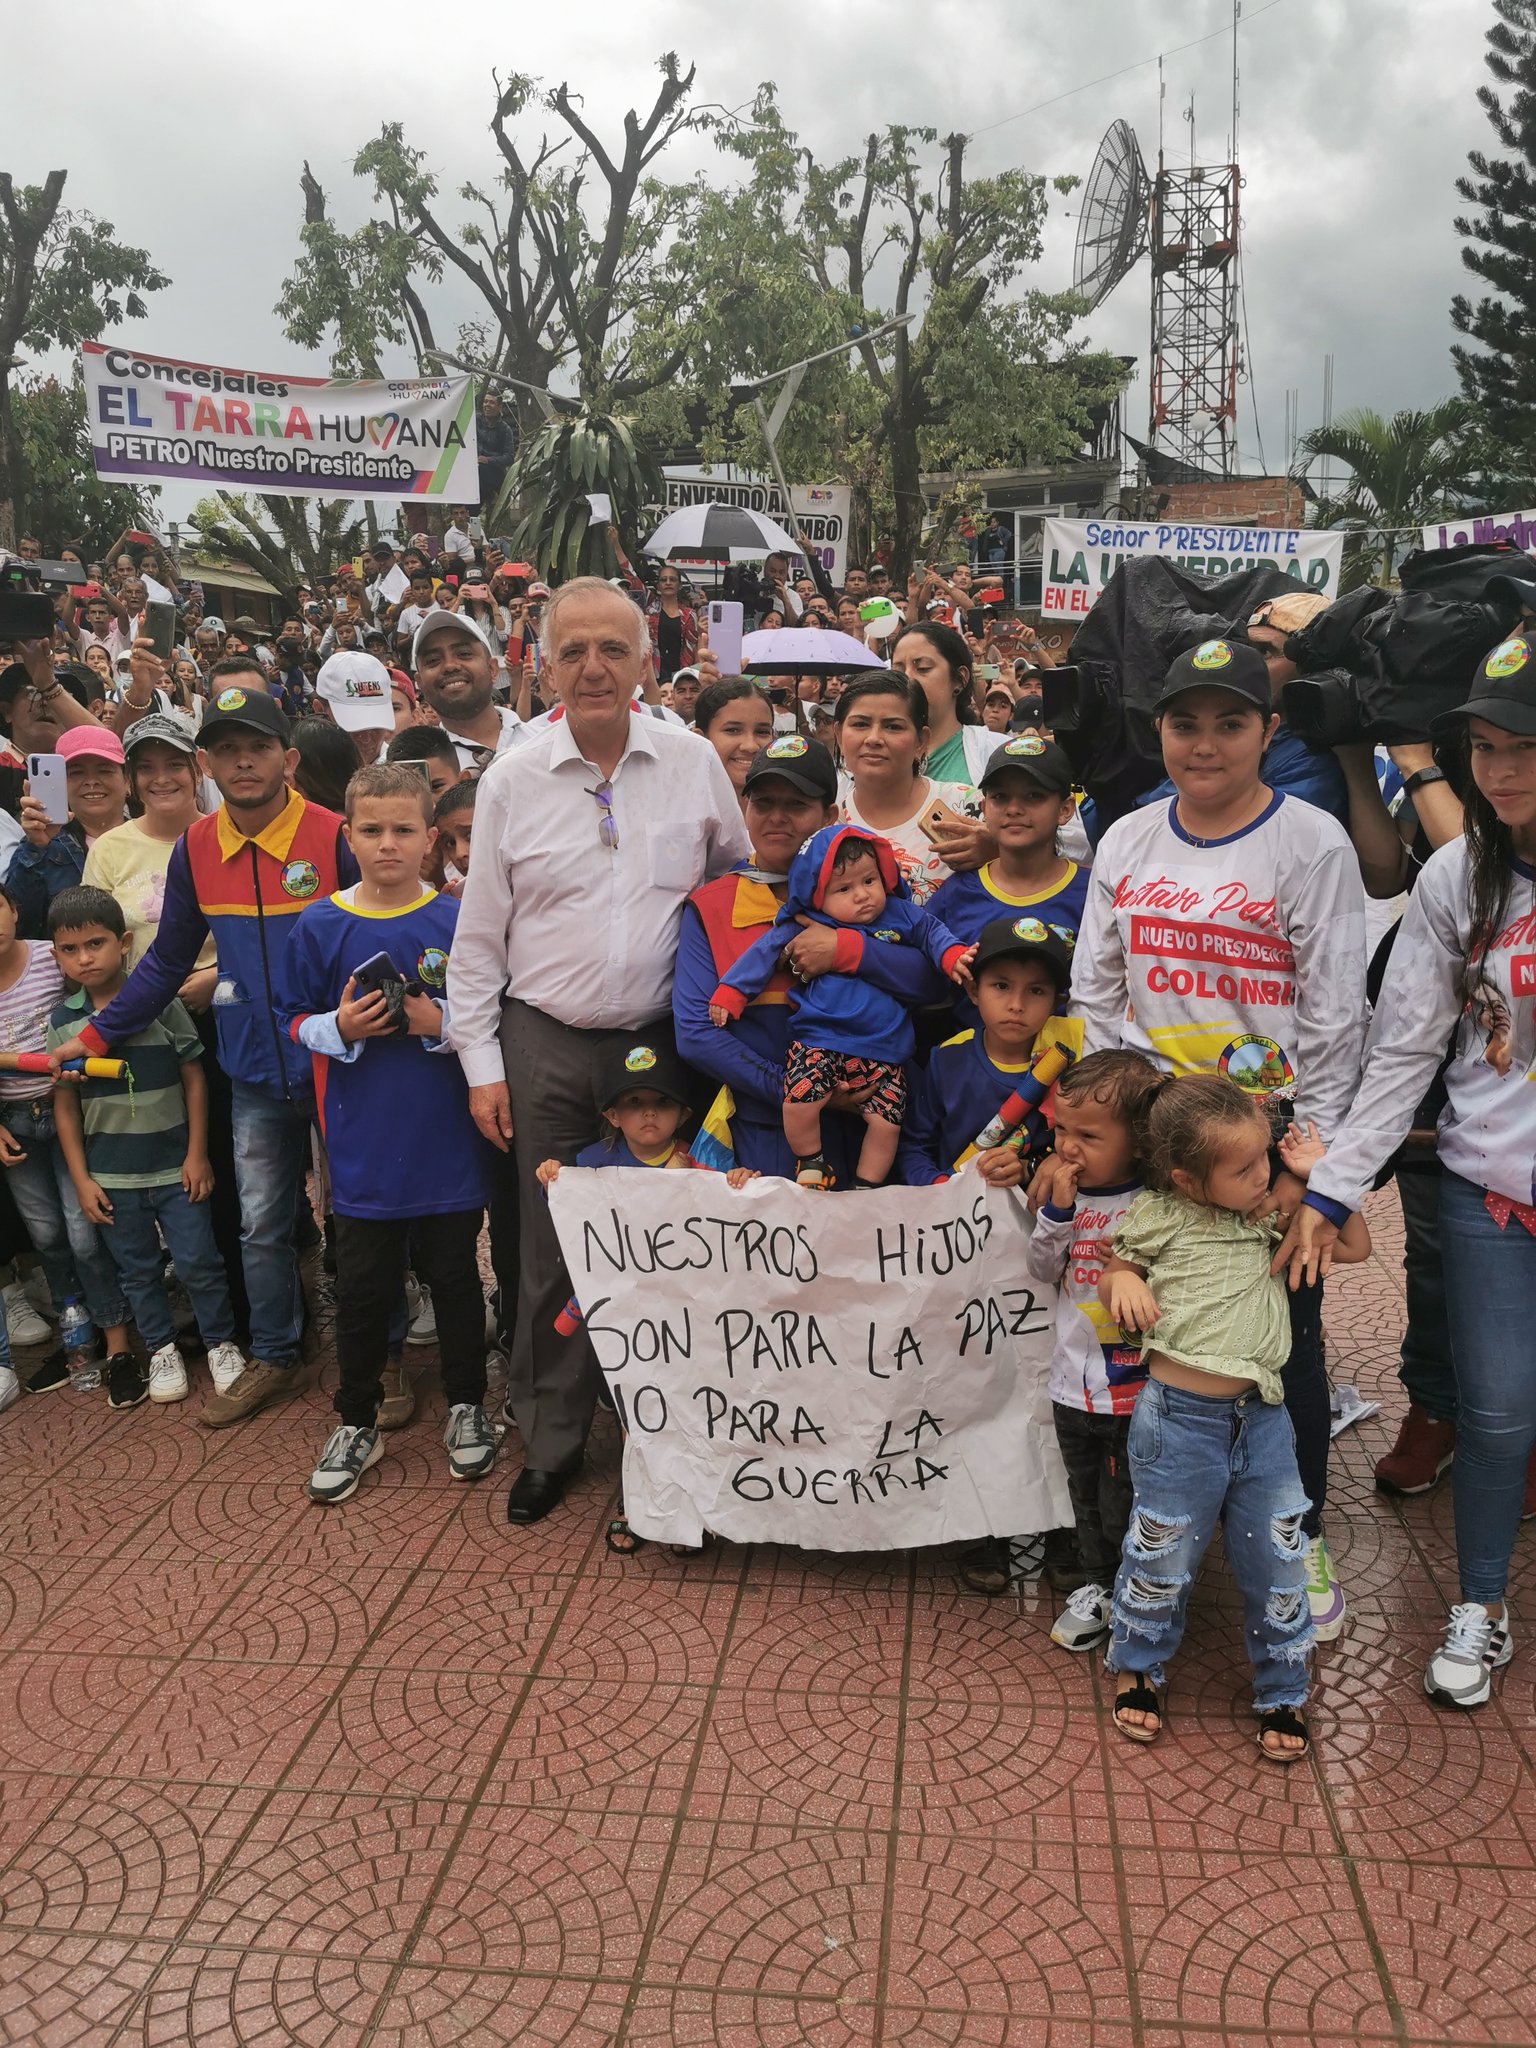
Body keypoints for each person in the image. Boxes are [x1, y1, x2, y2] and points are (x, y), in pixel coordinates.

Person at [1071, 638, 1368, 1643]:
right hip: (1159, 1136)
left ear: (1268, 733)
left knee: (1286, 1343)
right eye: (1184, 722)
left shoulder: (1312, 842)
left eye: (1230, 722)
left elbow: (1334, 1019)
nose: (1205, 743)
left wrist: (1307, 1169)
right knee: (1152, 1331)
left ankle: (1300, 1531)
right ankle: (1159, 1533)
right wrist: (1133, 1124)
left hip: (1267, 1146)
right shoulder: (1126, 840)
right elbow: (1097, 991)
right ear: (1158, 731)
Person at [448, 575, 751, 1526]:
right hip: (544, 1042)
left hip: (664, 1046)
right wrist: (483, 1068)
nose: (592, 667)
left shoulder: (694, 762)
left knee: (672, 1248)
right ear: (540, 663)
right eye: (572, 650)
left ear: (647, 662)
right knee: (548, 1252)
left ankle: (675, 1436)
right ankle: (552, 1440)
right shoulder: (512, 779)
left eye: (612, 649)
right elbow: (478, 941)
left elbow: (733, 887)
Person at [1282, 633, 1536, 1709]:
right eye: (1482, 746)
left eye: (1525, 745)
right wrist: (1333, 1183)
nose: (1499, 771)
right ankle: (1480, 1603)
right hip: (1491, 1193)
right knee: (1494, 1411)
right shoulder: (1459, 876)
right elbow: (1401, 1054)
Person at [49, 686, 360, 1427]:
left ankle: (373, 1357)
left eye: (256, 747)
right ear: (207, 764)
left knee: (356, 1216)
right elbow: (162, 965)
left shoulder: (334, 834)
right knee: (258, 1224)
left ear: (286, 758)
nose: (242, 762)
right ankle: (277, 1355)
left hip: (338, 1064)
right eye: (227, 750)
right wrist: (93, 1036)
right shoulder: (196, 846)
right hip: (251, 1068)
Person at [1101, 1076, 1369, 1760]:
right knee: (1162, 1552)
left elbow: (1358, 1247)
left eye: (1265, 1161)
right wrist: (1124, 1279)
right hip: (1178, 1423)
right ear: (1188, 1180)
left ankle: (1283, 1688)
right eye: (1244, 1168)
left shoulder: (1273, 1214)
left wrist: (1320, 1180)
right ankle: (1138, 1663)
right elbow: (1113, 1266)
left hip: (1266, 1420)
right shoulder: (1159, 1215)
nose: (1262, 1176)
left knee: (1279, 1561)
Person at [280, 762, 498, 1505]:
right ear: (347, 835)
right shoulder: (320, 923)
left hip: (444, 1143)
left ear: (431, 839)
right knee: (366, 1289)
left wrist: (443, 1025)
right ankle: (356, 1418)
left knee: (457, 1279)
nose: (387, 844)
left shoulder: (457, 918)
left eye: (404, 830)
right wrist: (337, 1026)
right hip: (362, 1147)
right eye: (371, 830)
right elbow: (293, 1019)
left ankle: (468, 1402)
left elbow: (489, 1016)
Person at [44, 886, 245, 1408]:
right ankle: (160, 1348)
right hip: (112, 1178)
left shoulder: (158, 1005)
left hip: (176, 1169)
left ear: (125, 942)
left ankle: (221, 1342)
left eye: (96, 943)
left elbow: (194, 1078)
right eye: (70, 949)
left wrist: (197, 1154)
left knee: (199, 1260)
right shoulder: (62, 1023)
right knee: (136, 1270)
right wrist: (82, 1179)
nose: (85, 958)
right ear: (55, 955)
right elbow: (65, 1105)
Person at [82, 711, 243, 1338]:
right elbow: (94, 939)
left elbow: (259, 930)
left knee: (221, 1166)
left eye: (173, 763)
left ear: (195, 769)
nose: (160, 777)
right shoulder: (111, 848)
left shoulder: (221, 833)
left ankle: (238, 1312)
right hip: (141, 1028)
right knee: (161, 1167)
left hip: (216, 1016)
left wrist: (217, 976)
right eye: (145, 767)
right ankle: (187, 1311)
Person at [708, 824, 968, 1190]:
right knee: (797, 1102)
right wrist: (731, 993)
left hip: (886, 1050)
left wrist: (953, 955)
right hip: (819, 1040)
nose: (862, 896)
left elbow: (932, 933)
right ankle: (812, 1163)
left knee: (887, 1123)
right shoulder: (809, 922)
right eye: (844, 889)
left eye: (870, 880)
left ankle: (868, 1185)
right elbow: (763, 954)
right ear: (816, 895)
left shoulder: (900, 914)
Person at [1019, 1049, 1162, 1653]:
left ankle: (1138, 1589)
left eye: (1089, 1136)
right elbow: (1042, 1268)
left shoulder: (1155, 1208)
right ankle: (1098, 1585)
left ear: (1138, 1143)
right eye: (1061, 1131)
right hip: (1069, 1384)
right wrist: (1056, 1212)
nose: (1069, 1147)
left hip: (1136, 1391)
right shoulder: (1068, 1200)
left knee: (1125, 1496)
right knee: (1084, 1494)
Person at [896, 919, 1074, 1187]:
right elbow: (912, 1147)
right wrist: (939, 1186)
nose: (1016, 1005)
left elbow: (1078, 1151)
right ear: (973, 990)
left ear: (1055, 1003)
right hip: (950, 1219)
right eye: (1001, 986)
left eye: (1036, 991)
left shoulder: (1067, 1066)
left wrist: (1028, 1169)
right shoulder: (947, 1059)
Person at [835, 674, 987, 904]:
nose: (874, 738)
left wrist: (998, 853)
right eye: (860, 724)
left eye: (893, 726)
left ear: (921, 741)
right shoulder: (827, 823)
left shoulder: (967, 805)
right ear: (838, 735)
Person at [929, 736, 1088, 954]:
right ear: (984, 808)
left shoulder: (1090, 893)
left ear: (1065, 809)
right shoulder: (956, 894)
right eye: (1000, 797)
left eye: (1034, 795)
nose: (1013, 809)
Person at [6, 724, 130, 939]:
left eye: (104, 770)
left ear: (127, 781)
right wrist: (35, 848)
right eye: (76, 772)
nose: (91, 781)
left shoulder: (153, 836)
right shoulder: (42, 846)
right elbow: (17, 927)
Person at [890, 619, 1007, 788]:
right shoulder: (873, 750)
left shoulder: (996, 750)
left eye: (923, 668)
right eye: (898, 671)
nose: (908, 678)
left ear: (960, 679)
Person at [411, 613, 522, 767]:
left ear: (493, 669)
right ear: (420, 682)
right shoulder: (413, 770)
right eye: (433, 661)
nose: (450, 666)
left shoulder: (544, 738)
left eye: (464, 654)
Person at [691, 680, 775, 797]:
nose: (750, 746)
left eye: (762, 732)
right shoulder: (677, 808)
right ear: (700, 738)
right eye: (733, 730)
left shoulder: (795, 806)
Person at [314, 650, 395, 768]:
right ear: (320, 711)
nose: (366, 739)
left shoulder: (407, 773)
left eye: (376, 725)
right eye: (354, 726)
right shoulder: (298, 775)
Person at [475, 390, 515, 507]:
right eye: (485, 402)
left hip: (493, 473)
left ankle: (490, 498)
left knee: (481, 470)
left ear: (499, 407)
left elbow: (509, 457)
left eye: (491, 402)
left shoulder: (505, 429)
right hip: (473, 473)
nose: (487, 405)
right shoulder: (475, 420)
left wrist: (488, 460)